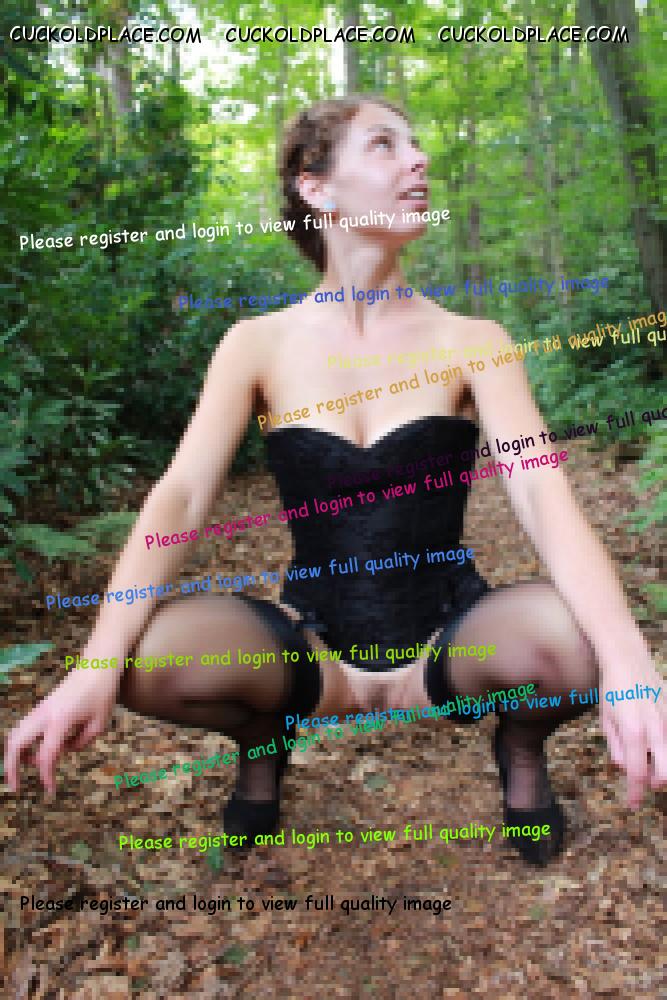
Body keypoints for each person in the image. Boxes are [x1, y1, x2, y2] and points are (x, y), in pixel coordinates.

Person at [6, 96, 665, 867]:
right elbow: (180, 496)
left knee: (578, 641)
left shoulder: (475, 341)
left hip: (448, 639)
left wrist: (629, 662)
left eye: (415, 143)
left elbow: (543, 497)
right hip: (312, 646)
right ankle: (264, 735)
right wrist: (93, 664)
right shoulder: (254, 344)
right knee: (144, 660)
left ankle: (520, 747)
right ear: (315, 187)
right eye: (384, 144)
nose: (418, 159)